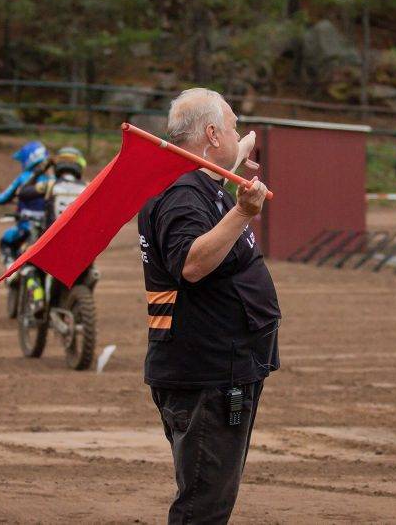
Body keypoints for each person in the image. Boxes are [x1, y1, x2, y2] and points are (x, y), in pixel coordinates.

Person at [137, 88, 280, 524]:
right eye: (234, 125)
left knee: (210, 499)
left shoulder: (197, 182)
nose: (240, 133)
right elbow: (193, 263)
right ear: (213, 134)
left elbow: (211, 182)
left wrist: (240, 152)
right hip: (208, 375)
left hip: (222, 367)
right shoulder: (183, 194)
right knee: (203, 508)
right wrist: (243, 213)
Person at [0, 140, 51, 265]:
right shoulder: (52, 179)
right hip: (48, 229)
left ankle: (12, 270)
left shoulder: (24, 178)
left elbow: (4, 197)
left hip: (26, 227)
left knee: (6, 241)